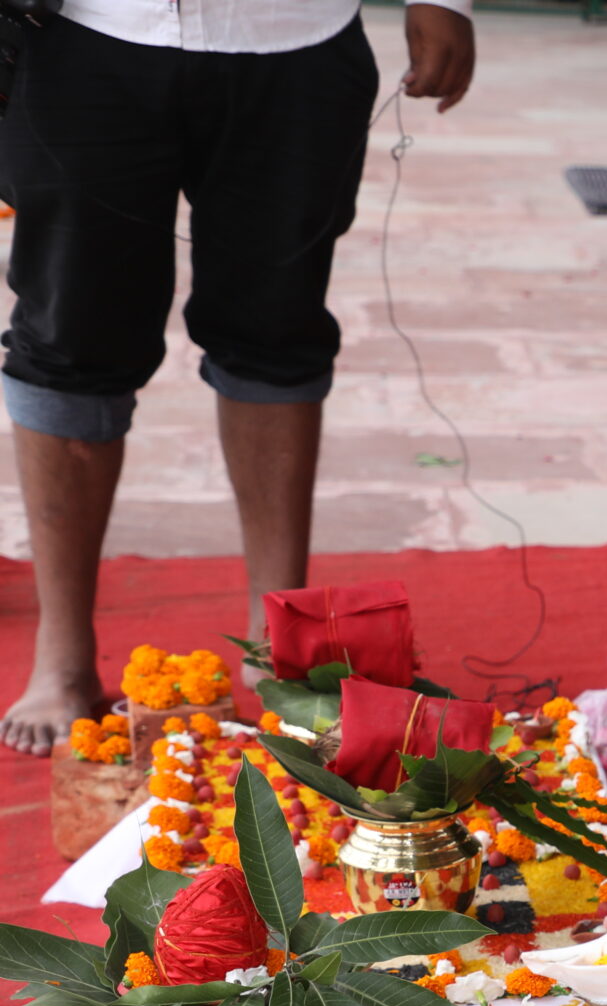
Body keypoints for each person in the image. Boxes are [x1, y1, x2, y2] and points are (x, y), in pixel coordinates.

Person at [0, 0, 478, 755]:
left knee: (276, 328)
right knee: (69, 333)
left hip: (295, 32)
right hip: (85, 27)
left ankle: (276, 638)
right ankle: (62, 653)